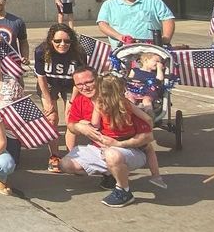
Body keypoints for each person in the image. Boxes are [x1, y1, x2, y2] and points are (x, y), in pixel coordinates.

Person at [59, 70, 155, 207]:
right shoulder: (81, 101)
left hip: (131, 150)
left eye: (89, 82)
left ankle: (124, 191)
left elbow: (148, 136)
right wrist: (80, 127)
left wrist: (119, 144)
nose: (84, 87)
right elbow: (71, 125)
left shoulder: (121, 104)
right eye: (79, 84)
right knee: (66, 164)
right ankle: (111, 174)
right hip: (101, 149)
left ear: (98, 80)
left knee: (112, 154)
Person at [33, 24, 87, 170]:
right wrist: (48, 101)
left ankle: (72, 155)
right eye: (58, 41)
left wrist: (71, 101)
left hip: (71, 85)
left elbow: (80, 80)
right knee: (52, 118)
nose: (62, 44)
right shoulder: (41, 51)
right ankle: (54, 156)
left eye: (67, 41)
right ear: (51, 40)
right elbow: (41, 77)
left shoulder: (79, 53)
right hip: (49, 84)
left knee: (71, 118)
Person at [124, 52, 167, 187]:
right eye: (156, 61)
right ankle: (129, 112)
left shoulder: (155, 74)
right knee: (129, 98)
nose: (158, 63)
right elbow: (128, 81)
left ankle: (148, 113)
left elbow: (159, 81)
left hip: (148, 91)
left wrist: (160, 68)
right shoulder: (135, 71)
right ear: (146, 60)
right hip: (134, 90)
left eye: (160, 61)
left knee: (147, 100)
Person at [97, 0, 175, 47]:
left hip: (151, 48)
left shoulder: (153, 0)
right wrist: (120, 37)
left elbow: (167, 19)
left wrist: (166, 38)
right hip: (122, 49)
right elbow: (102, 24)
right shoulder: (109, 4)